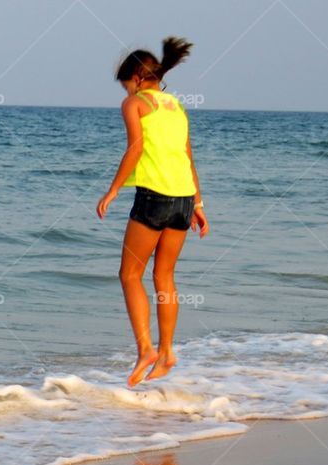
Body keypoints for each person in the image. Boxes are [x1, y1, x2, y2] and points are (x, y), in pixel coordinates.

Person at [96, 37, 209, 387]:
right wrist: (200, 204)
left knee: (130, 275)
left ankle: (146, 349)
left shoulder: (135, 103)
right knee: (164, 278)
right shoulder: (176, 105)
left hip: (154, 198)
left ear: (136, 78)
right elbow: (187, 156)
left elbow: (135, 148)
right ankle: (168, 352)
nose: (126, 90)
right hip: (184, 199)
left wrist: (113, 189)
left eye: (125, 83)